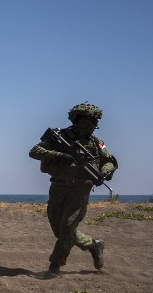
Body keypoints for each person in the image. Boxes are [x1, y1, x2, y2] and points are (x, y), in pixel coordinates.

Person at [28, 102, 118, 274]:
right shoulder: (59, 136)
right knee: (59, 229)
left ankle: (55, 266)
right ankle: (93, 244)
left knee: (67, 227)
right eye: (87, 120)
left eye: (94, 121)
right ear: (77, 119)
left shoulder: (96, 143)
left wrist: (104, 172)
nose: (91, 124)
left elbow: (109, 161)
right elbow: (34, 151)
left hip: (80, 190)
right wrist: (57, 155)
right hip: (58, 187)